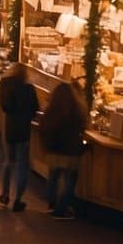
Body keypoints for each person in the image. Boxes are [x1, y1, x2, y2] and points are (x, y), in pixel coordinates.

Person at [38, 82, 86, 220]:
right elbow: (83, 126)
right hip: (70, 152)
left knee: (53, 177)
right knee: (70, 181)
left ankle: (52, 203)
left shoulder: (51, 110)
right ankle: (61, 209)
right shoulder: (77, 111)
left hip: (54, 150)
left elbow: (44, 127)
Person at [0, 63, 39, 212]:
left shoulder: (5, 86)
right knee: (22, 165)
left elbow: (4, 107)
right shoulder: (29, 89)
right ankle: (18, 199)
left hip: (10, 128)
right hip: (24, 130)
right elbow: (35, 108)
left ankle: (5, 194)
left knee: (9, 161)